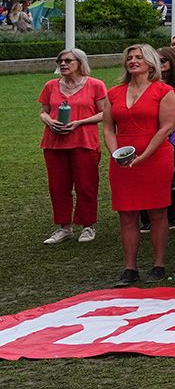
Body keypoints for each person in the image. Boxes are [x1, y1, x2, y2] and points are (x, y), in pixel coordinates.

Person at [101, 45, 175, 286]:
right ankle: (130, 267)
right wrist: (115, 154)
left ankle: (158, 263)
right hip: (123, 160)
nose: (133, 61)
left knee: (157, 212)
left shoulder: (163, 90)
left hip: (155, 157)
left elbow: (166, 127)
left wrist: (145, 155)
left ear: (151, 63)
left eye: (139, 58)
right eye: (130, 58)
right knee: (126, 214)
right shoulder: (113, 93)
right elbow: (107, 128)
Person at [40, 49, 107, 246]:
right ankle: (64, 227)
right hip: (54, 143)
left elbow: (105, 113)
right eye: (60, 61)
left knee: (86, 185)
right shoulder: (50, 85)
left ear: (80, 63)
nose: (63, 64)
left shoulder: (95, 85)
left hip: (84, 142)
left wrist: (79, 122)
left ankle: (87, 225)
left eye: (68, 60)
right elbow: (43, 111)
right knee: (57, 187)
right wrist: (49, 121)